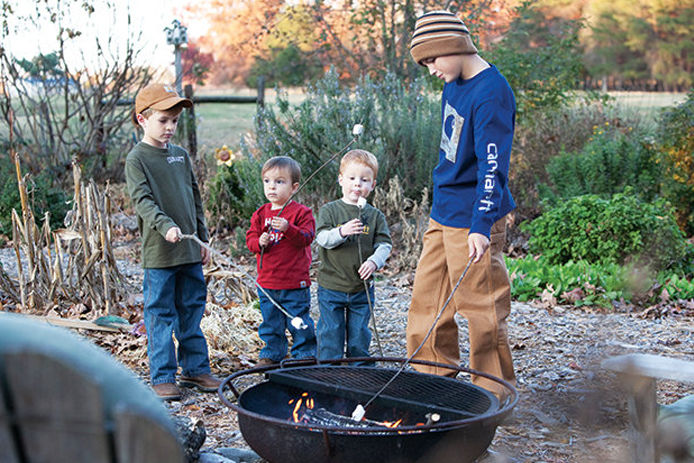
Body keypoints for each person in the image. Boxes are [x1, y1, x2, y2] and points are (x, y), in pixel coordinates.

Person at [405, 10, 516, 396]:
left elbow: (492, 166)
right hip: (443, 212)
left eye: (432, 59)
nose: (431, 69)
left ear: (451, 47)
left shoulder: (491, 93)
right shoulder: (454, 81)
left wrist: (482, 225)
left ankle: (494, 396)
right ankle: (432, 385)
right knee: (427, 304)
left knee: (482, 310)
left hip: (473, 218)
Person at [125, 83, 221, 400]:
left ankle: (194, 369)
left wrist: (203, 240)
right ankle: (163, 376)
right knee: (161, 315)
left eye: (175, 121)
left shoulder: (180, 156)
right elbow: (143, 201)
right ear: (142, 119)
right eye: (163, 120)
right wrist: (164, 226)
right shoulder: (138, 159)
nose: (170, 128)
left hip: (189, 251)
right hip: (160, 255)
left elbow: (194, 200)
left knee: (191, 310)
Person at [315, 149, 392, 363]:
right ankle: (328, 372)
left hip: (361, 289)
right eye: (351, 178)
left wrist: (374, 261)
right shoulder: (330, 211)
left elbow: (385, 244)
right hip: (332, 286)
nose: (357, 184)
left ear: (373, 185)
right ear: (341, 180)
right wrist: (342, 231)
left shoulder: (375, 216)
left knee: (359, 335)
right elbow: (322, 238)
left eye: (364, 180)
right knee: (331, 332)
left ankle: (359, 371)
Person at [246, 156, 317, 366]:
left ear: (294, 187)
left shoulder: (301, 213)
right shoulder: (260, 214)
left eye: (279, 182)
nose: (272, 187)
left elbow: (306, 238)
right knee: (270, 322)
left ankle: (304, 353)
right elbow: (250, 241)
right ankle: (272, 353)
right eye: (267, 181)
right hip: (268, 282)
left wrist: (288, 229)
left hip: (294, 282)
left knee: (299, 319)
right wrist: (259, 242)